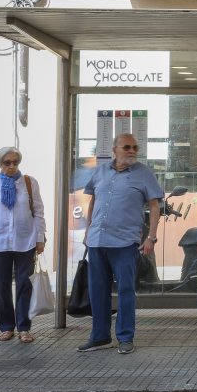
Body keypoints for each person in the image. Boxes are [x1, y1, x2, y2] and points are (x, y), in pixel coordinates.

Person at [77, 133, 164, 355]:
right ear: (115, 149)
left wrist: (151, 237)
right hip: (97, 241)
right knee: (98, 291)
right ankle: (100, 337)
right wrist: (88, 229)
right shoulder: (101, 171)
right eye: (127, 147)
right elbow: (93, 200)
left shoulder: (143, 173)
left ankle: (125, 337)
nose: (132, 150)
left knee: (125, 290)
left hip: (125, 242)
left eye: (135, 147)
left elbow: (155, 207)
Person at [0, 147, 46, 343]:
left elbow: (39, 211)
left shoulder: (29, 183)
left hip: (26, 241)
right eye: (7, 163)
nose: (12, 166)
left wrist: (39, 238)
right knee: (2, 286)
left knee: (25, 285)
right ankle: (6, 326)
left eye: (15, 162)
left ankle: (24, 327)